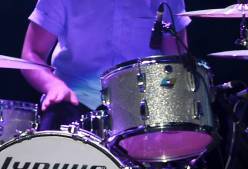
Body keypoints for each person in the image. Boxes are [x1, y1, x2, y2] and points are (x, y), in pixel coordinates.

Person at [21, 0, 190, 130]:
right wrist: (54, 86)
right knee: (51, 156)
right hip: (73, 99)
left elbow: (175, 65)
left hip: (142, 107)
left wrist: (161, 96)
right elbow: (32, 53)